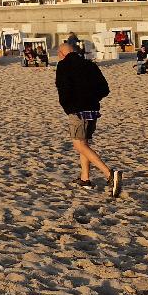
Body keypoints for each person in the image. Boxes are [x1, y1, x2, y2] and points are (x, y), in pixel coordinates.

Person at [55, 43, 121, 197]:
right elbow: (104, 89)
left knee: (78, 144)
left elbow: (63, 89)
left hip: (77, 110)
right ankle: (85, 179)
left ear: (61, 53)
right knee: (84, 143)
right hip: (92, 109)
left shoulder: (63, 66)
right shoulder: (89, 65)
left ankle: (109, 174)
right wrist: (93, 99)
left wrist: (69, 107)